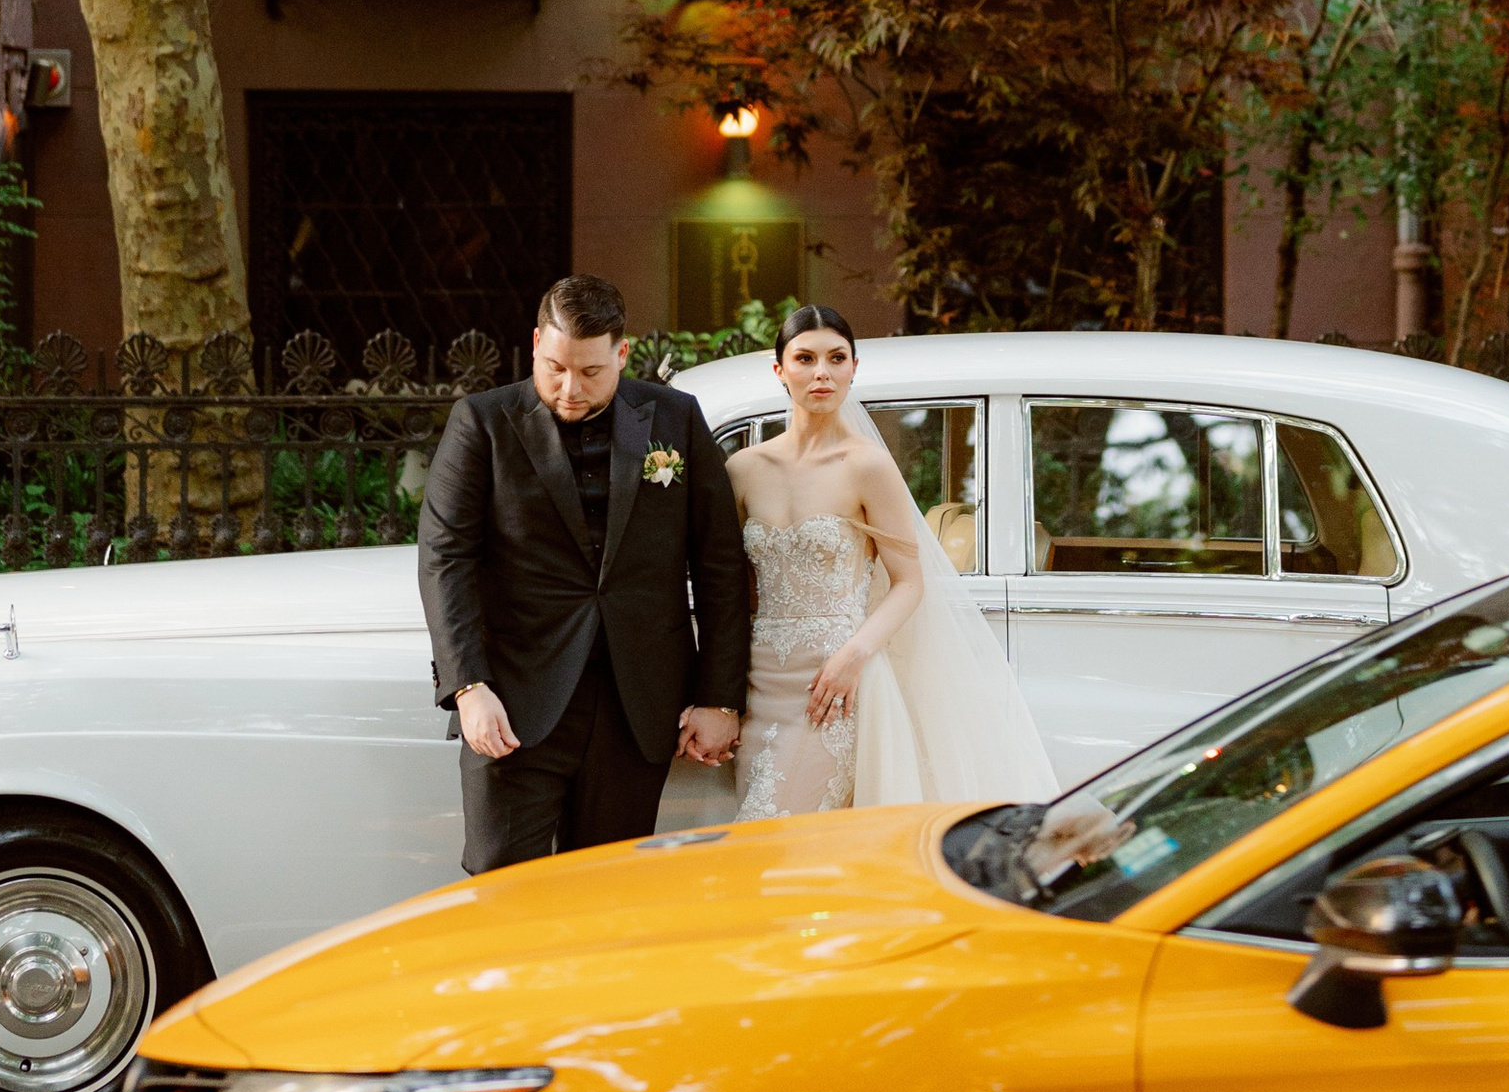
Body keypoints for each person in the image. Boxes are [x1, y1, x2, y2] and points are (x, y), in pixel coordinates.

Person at [419, 273, 748, 872]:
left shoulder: (675, 418)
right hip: (514, 701)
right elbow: (446, 561)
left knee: (608, 894)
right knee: (500, 886)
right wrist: (469, 688)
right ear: (537, 341)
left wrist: (719, 697)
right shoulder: (482, 422)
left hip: (636, 705)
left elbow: (720, 562)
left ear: (622, 354)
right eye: (555, 368)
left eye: (591, 372)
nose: (570, 388)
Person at [725, 305, 1057, 817]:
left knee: (772, 827)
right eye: (805, 358)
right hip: (760, 680)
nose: (822, 373)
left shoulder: (867, 466)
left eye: (836, 358)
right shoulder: (744, 469)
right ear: (779, 370)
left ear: (853, 368)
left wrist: (854, 655)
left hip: (833, 681)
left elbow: (909, 581)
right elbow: (734, 586)